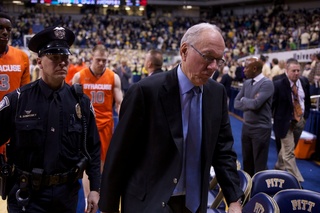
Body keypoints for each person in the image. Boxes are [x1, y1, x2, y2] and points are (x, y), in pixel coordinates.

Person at [99, 23, 243, 213]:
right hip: (148, 203)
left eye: (219, 60)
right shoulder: (145, 92)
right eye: (208, 57)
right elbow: (119, 156)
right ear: (184, 51)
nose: (213, 66)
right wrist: (109, 208)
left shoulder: (216, 94)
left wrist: (233, 199)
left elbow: (223, 151)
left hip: (194, 205)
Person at [0, 26, 100, 213]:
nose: (62, 63)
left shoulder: (81, 102)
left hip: (66, 196)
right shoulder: (18, 99)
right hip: (26, 196)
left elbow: (93, 148)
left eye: (65, 58)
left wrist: (95, 188)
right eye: (54, 57)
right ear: (39, 61)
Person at [72, 44, 123, 171]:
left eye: (104, 60)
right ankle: (89, 190)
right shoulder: (79, 76)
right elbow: (72, 102)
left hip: (105, 123)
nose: (101, 63)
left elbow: (119, 103)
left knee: (103, 160)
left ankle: (99, 189)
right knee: (85, 160)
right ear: (91, 58)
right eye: (98, 60)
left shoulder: (113, 77)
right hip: (85, 124)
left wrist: (123, 121)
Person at [234, 57, 274, 177]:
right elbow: (236, 103)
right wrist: (250, 102)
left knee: (259, 164)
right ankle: (248, 192)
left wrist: (245, 100)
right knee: (247, 162)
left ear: (255, 68)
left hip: (261, 129)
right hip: (246, 126)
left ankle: (258, 192)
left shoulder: (267, 84)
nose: (244, 70)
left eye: (246, 67)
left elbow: (256, 105)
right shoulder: (247, 83)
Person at [272, 58, 311, 183]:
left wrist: (305, 117)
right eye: (293, 70)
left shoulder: (304, 82)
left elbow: (307, 101)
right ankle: (298, 181)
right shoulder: (278, 84)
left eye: (298, 70)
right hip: (284, 122)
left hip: (300, 121)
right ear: (287, 71)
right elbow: (273, 104)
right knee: (289, 153)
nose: (296, 73)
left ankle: (278, 166)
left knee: (288, 149)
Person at [0, 12, 30, 158]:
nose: (5, 32)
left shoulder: (22, 57)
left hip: (13, 121)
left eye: (8, 29)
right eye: (0, 28)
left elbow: (26, 94)